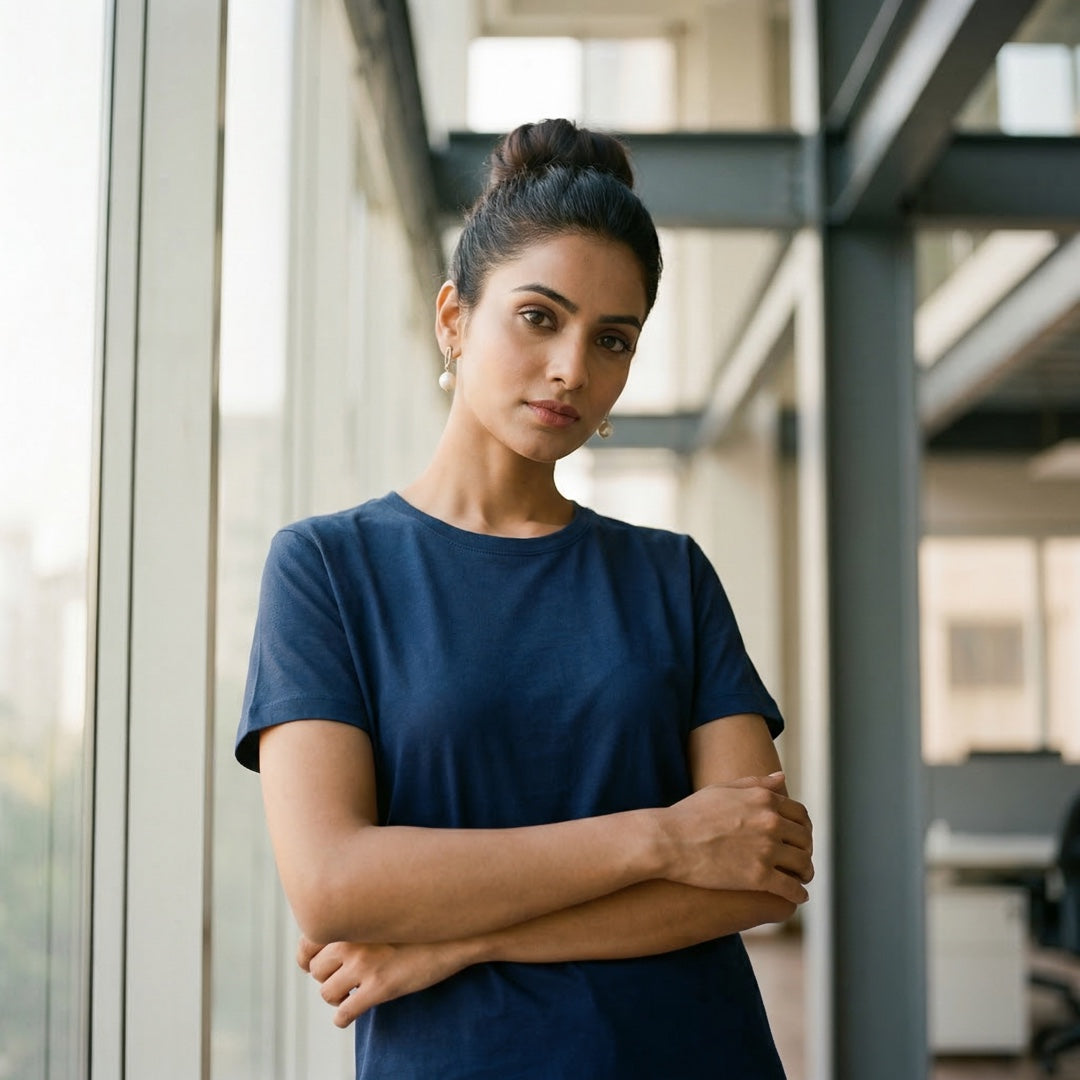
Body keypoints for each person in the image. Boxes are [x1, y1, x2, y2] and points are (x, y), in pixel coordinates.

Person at [236, 117, 813, 1079]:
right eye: (539, 317)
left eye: (612, 339)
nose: (572, 371)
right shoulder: (327, 569)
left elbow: (759, 874)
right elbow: (335, 886)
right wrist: (664, 836)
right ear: (454, 319)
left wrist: (458, 939)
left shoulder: (669, 574)